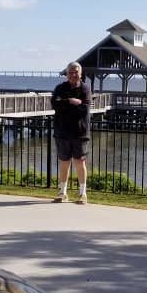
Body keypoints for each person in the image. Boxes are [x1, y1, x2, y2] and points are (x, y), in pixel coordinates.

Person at [50, 61, 92, 204]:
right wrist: (72, 101)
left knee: (80, 162)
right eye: (70, 72)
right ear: (66, 74)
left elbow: (85, 109)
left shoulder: (85, 89)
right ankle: (62, 192)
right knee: (64, 162)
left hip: (80, 133)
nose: (73, 75)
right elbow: (55, 104)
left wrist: (69, 104)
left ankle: (83, 193)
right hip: (62, 131)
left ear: (81, 74)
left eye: (76, 72)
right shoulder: (60, 88)